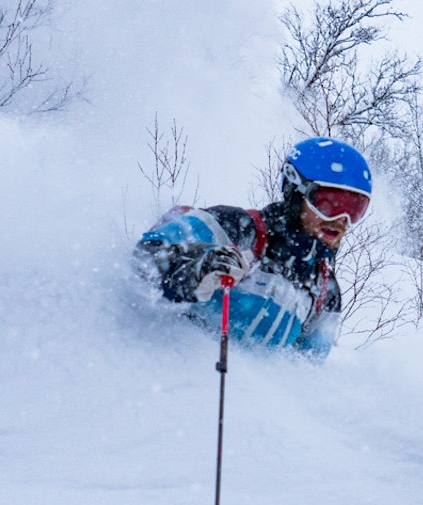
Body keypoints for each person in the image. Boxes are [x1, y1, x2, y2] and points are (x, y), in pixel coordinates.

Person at [133, 137, 372, 360]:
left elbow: (305, 373)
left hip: (243, 401)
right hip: (166, 375)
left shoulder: (326, 292)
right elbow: (145, 256)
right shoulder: (234, 227)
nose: (342, 220)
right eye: (330, 204)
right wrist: (193, 271)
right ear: (296, 190)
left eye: (355, 209)